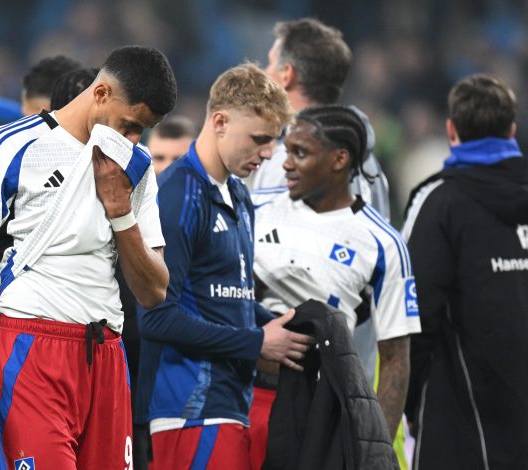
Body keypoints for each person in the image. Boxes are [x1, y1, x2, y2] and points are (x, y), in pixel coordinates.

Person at [0, 45, 177, 469]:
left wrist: (120, 210)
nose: (134, 141)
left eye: (144, 131)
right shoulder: (13, 145)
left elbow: (154, 290)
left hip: (107, 355)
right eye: (130, 125)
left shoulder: (136, 166)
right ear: (101, 93)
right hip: (33, 351)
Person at [136, 63, 313, 469]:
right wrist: (256, 343)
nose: (269, 153)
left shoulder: (238, 194)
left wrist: (294, 324)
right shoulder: (178, 194)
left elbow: (230, 298)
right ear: (219, 122)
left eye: (274, 141)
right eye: (260, 139)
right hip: (189, 409)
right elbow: (157, 318)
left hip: (231, 403)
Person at [246, 17, 402, 467]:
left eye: (271, 62)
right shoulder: (367, 165)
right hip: (350, 368)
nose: (266, 69)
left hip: (286, 380)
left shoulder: (280, 161)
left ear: (287, 75)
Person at [253, 104, 420, 453]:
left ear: (339, 159)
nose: (286, 163)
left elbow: (395, 361)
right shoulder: (253, 207)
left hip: (317, 410)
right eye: (287, 151)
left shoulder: (383, 243)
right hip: (240, 396)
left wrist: (373, 450)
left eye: (300, 153)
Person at [402, 74, 528, 469]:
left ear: (451, 130)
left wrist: (410, 401)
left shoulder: (438, 203)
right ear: (512, 129)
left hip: (462, 419)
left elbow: (413, 313)